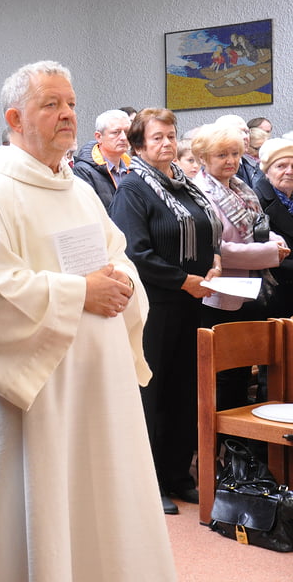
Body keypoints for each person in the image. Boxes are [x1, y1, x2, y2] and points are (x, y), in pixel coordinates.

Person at [0, 62, 174, 580]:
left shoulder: (78, 190)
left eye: (70, 103)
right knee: (40, 510)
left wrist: (121, 283)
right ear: (15, 118)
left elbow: (117, 256)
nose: (68, 114)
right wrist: (81, 292)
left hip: (97, 384)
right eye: (51, 104)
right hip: (39, 395)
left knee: (101, 504)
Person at [109, 108, 222, 515]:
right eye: (157, 137)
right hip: (154, 305)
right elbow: (134, 253)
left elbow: (209, 230)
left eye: (171, 136)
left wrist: (214, 263)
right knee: (152, 395)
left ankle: (178, 476)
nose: (167, 144)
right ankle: (149, 482)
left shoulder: (183, 183)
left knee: (183, 391)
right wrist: (182, 280)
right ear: (139, 144)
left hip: (192, 301)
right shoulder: (132, 189)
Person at [191, 123, 288, 409]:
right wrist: (269, 253)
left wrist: (276, 240)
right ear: (203, 158)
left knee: (244, 373)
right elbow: (217, 250)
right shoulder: (200, 192)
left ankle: (240, 434)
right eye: (222, 155)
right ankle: (220, 435)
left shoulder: (239, 187)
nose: (231, 161)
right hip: (222, 296)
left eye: (235, 153)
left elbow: (259, 227)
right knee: (226, 375)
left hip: (252, 290)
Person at [255, 137, 293, 317]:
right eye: (281, 166)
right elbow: (261, 250)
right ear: (267, 170)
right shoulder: (256, 201)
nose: (289, 171)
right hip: (276, 292)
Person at [72, 109, 132, 210]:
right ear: (99, 137)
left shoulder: (133, 168)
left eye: (127, 132)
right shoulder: (83, 171)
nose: (123, 137)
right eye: (116, 132)